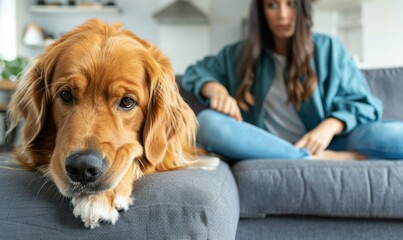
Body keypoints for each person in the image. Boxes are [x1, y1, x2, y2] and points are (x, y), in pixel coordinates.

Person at [181, 0, 403, 161]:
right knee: (208, 122)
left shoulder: (329, 49)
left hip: (331, 142)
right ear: (261, 11)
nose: (283, 15)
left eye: (291, 4)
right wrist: (217, 91)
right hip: (264, 146)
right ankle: (309, 159)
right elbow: (196, 71)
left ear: (303, 7)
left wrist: (328, 127)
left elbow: (365, 105)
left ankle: (332, 156)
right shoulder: (238, 55)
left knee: (392, 134)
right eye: (272, 5)